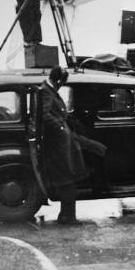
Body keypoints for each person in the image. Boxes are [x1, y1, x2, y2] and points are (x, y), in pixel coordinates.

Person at [41, 66, 89, 225]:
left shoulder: (48, 89)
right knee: (68, 177)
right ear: (59, 80)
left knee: (68, 177)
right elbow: (45, 115)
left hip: (62, 142)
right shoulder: (46, 91)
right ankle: (68, 216)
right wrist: (60, 127)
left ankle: (66, 214)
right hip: (59, 144)